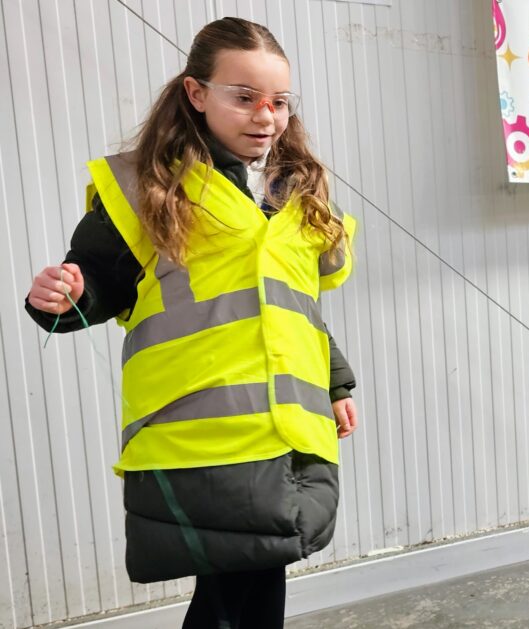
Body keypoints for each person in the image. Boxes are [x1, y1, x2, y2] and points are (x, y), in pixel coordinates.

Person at [25, 17, 358, 629]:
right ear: (196, 93)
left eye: (280, 102)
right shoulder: (147, 189)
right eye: (245, 96)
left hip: (285, 424)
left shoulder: (295, 192)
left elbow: (295, 302)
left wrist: (333, 383)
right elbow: (94, 283)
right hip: (200, 429)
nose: (266, 116)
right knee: (236, 594)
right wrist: (65, 294)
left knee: (255, 582)